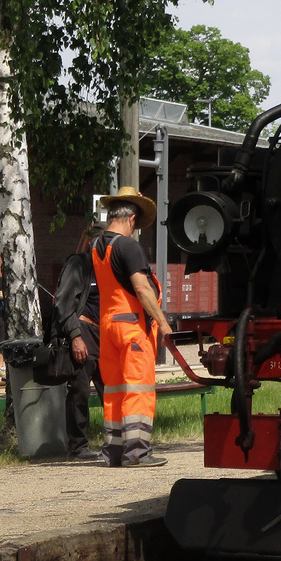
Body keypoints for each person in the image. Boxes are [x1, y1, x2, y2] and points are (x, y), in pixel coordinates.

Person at [92, 187, 171, 467]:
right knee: (137, 388)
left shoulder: (97, 246)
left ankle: (114, 452)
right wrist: (163, 323)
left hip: (108, 327)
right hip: (132, 328)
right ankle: (137, 452)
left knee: (114, 390)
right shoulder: (127, 245)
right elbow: (142, 289)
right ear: (132, 219)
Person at [52, 226, 105, 460]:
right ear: (92, 242)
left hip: (108, 334)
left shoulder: (111, 268)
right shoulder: (78, 264)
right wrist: (75, 336)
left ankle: (118, 441)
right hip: (84, 330)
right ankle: (78, 446)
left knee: (111, 391)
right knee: (80, 391)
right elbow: (63, 303)